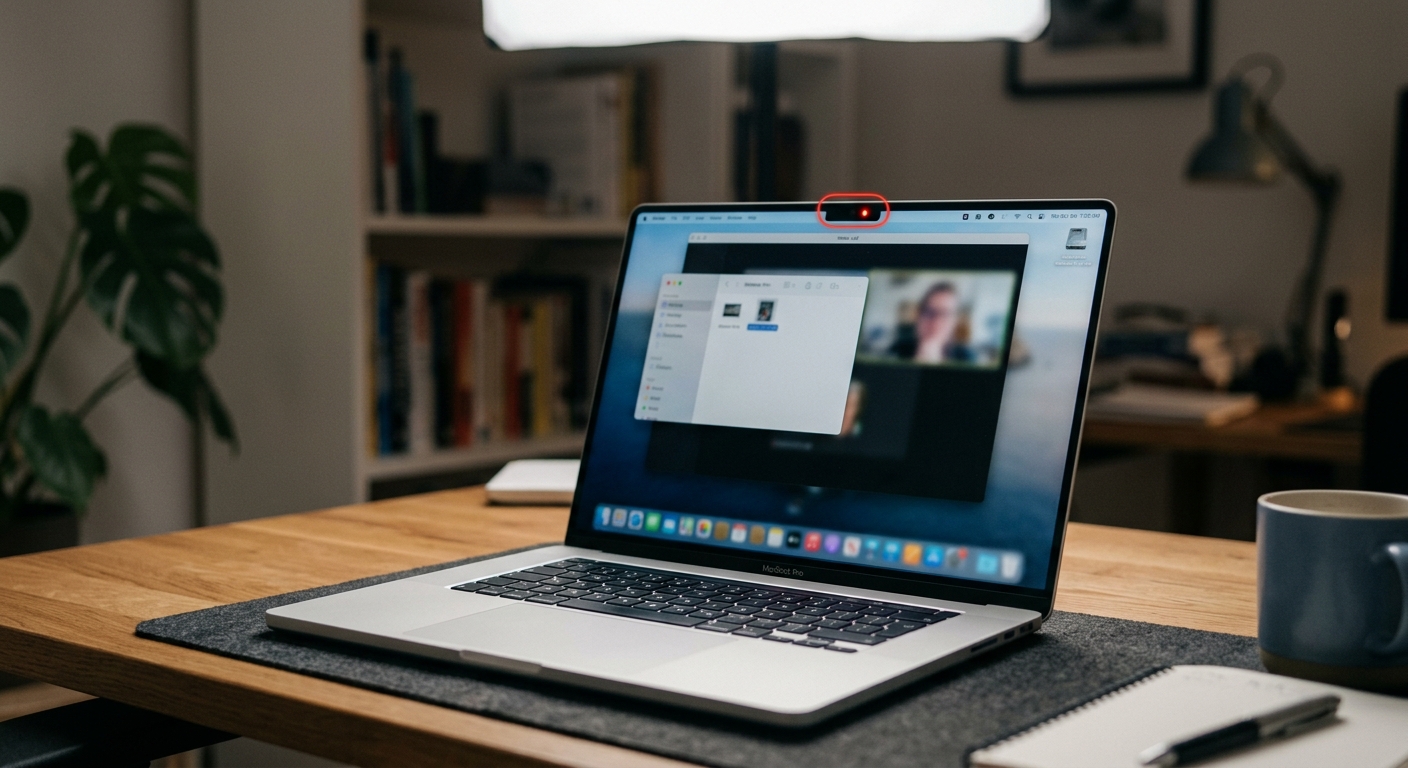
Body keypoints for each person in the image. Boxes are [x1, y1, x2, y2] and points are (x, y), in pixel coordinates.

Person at [893, 282, 972, 364]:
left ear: (954, 321)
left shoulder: (966, 358)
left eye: (945, 314)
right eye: (930, 312)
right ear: (919, 315)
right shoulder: (897, 351)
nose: (936, 322)